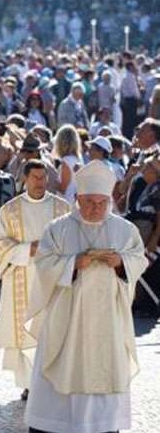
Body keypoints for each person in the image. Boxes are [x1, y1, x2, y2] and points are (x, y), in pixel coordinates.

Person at [25, 161, 148, 433]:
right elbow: (43, 264)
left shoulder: (125, 229)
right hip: (67, 317)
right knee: (64, 366)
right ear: (78, 199)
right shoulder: (58, 228)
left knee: (105, 369)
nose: (96, 208)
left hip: (109, 318)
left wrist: (121, 262)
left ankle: (102, 426)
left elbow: (139, 259)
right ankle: (55, 425)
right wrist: (73, 264)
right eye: (90, 202)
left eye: (102, 203)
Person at [0, 160, 69, 400]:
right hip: (22, 278)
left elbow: (75, 239)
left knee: (51, 330)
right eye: (35, 177)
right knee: (26, 331)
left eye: (43, 177)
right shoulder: (10, 210)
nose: (40, 182)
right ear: (25, 178)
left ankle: (54, 382)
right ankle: (29, 384)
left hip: (54, 281)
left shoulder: (62, 208)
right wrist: (27, 249)